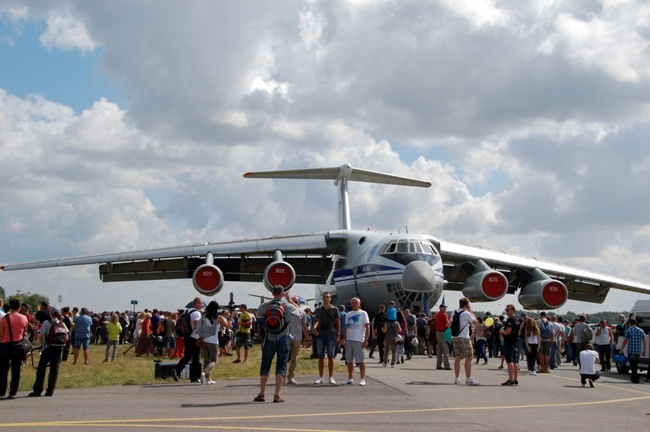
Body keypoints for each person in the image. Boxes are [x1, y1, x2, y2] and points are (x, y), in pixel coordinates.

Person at [254, 285, 299, 403]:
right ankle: (277, 395)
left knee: (265, 365)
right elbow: (299, 313)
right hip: (283, 337)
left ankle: (262, 393)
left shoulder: (267, 305)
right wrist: (289, 300)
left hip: (269, 337)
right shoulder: (287, 306)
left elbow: (258, 312)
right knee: (281, 366)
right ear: (283, 293)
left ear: (273, 293)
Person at [28, 306, 69, 397]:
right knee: (54, 369)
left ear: (50, 314)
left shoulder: (46, 322)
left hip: (47, 348)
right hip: (58, 349)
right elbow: (66, 338)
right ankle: (50, 390)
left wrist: (42, 345)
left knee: (41, 369)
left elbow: (41, 336)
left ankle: (38, 390)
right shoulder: (62, 324)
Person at [0, 298, 29, 399]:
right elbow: (25, 331)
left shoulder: (4, 319)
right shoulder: (24, 318)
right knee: (16, 370)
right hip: (18, 345)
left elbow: (1, 333)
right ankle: (13, 392)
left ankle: (2, 391)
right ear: (19, 307)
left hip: (5, 345)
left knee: (3, 370)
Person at [196, 301, 230, 384]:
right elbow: (227, 325)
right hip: (213, 341)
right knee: (214, 360)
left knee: (206, 360)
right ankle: (204, 372)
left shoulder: (205, 316)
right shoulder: (218, 317)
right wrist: (231, 317)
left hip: (204, 340)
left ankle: (208, 379)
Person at [339, 297, 370, 386]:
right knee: (349, 360)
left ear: (359, 304)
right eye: (352, 302)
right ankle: (350, 378)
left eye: (356, 302)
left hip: (359, 339)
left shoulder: (363, 313)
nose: (354, 304)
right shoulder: (348, 314)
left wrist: (366, 339)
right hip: (349, 340)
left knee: (360, 360)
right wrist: (344, 339)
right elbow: (346, 328)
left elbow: (367, 326)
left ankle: (362, 378)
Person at [172, 298, 203, 383]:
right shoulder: (196, 313)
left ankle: (177, 369)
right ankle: (194, 378)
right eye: (201, 303)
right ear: (196, 304)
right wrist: (201, 336)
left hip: (187, 336)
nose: (202, 305)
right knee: (196, 358)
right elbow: (197, 324)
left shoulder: (187, 311)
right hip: (194, 337)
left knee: (187, 356)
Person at [312, 291, 340, 385]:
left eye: (327, 297)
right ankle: (321, 377)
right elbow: (316, 320)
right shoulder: (318, 309)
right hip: (321, 335)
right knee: (320, 356)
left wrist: (337, 335)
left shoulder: (335, 309)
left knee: (330, 356)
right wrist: (314, 327)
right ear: (322, 299)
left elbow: (338, 323)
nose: (325, 299)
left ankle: (331, 377)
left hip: (331, 335)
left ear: (330, 298)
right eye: (324, 297)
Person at [450, 298, 478, 385]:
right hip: (464, 337)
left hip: (455, 337)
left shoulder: (453, 312)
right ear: (466, 305)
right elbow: (475, 322)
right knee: (469, 357)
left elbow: (450, 323)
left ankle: (457, 378)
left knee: (458, 357)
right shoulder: (466, 313)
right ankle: (468, 378)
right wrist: (471, 312)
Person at [286, 296, 309, 385]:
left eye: (295, 301)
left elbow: (304, 326)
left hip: (297, 337)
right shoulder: (286, 311)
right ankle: (282, 376)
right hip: (287, 337)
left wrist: (306, 338)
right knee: (284, 358)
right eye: (292, 301)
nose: (293, 302)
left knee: (294, 359)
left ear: (298, 302)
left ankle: (291, 377)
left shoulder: (302, 312)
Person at [619, 318, 647, 384]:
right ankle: (635, 376)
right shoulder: (640, 330)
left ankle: (635, 377)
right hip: (638, 350)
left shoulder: (628, 330)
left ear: (629, 323)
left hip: (631, 350)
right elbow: (644, 341)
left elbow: (625, 341)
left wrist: (621, 349)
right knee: (636, 364)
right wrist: (644, 350)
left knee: (632, 365)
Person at [500, 304, 519, 386]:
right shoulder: (516, 320)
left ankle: (511, 379)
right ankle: (515, 379)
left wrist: (501, 332)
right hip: (514, 342)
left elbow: (508, 331)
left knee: (510, 361)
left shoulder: (510, 320)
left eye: (508, 310)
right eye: (506, 310)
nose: (506, 311)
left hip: (509, 343)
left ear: (513, 310)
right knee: (515, 361)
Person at [435, 304, 451, 370]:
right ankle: (446, 365)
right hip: (443, 332)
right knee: (445, 349)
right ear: (441, 308)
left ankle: (438, 365)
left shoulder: (437, 314)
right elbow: (447, 323)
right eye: (444, 307)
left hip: (438, 332)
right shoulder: (444, 314)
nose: (445, 309)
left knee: (439, 350)